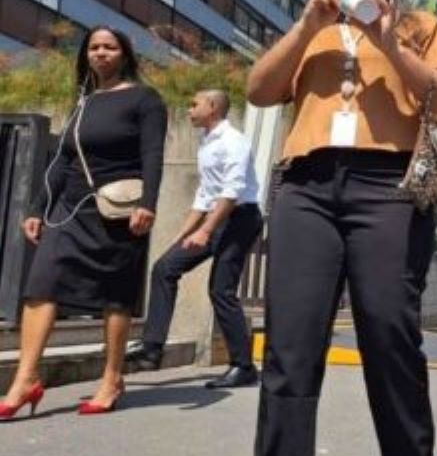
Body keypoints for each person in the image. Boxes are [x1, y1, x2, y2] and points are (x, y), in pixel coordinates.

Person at [219, 0, 437, 456]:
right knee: (292, 343)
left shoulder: (419, 28)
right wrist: (307, 28)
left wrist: (388, 39)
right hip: (307, 186)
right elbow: (258, 89)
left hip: (386, 187)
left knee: (389, 331)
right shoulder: (311, 31)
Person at [1, 26, 166, 420]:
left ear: (124, 54)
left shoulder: (145, 99)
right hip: (71, 209)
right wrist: (39, 208)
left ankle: (111, 378)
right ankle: (25, 380)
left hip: (118, 211)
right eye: (94, 47)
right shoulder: (84, 102)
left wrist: (148, 203)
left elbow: (153, 154)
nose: (101, 53)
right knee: (41, 284)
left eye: (109, 47)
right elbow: (62, 161)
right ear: (86, 55)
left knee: (115, 294)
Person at [125, 90, 263, 388]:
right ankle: (152, 348)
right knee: (164, 268)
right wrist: (183, 233)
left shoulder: (232, 141)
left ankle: (243, 366)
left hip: (240, 219)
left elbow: (231, 191)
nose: (188, 110)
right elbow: (205, 194)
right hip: (217, 217)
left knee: (220, 290)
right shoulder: (207, 142)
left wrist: (204, 230)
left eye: (194, 105)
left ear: (212, 107)